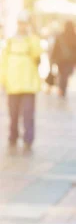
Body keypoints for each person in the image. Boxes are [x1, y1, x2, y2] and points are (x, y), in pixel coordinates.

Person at [0, 10, 42, 153]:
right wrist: (3, 80)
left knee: (28, 114)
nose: (22, 26)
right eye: (20, 23)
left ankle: (28, 138)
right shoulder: (10, 41)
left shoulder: (33, 40)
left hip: (28, 84)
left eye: (25, 23)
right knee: (13, 114)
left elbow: (37, 54)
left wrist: (30, 37)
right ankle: (13, 136)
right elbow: (3, 62)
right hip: (13, 84)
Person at [50, 20, 76, 97]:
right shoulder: (75, 36)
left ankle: (62, 89)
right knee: (65, 75)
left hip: (61, 60)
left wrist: (53, 58)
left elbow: (55, 48)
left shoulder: (61, 36)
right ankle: (63, 89)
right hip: (70, 60)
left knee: (62, 75)